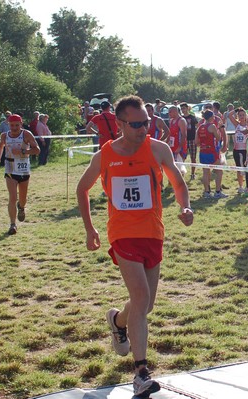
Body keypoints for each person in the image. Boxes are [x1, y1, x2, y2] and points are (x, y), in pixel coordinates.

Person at [76, 95, 193, 398]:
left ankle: (116, 320)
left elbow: (179, 184)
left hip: (152, 233)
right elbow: (82, 188)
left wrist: (185, 207)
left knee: (145, 305)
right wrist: (90, 229)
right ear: (120, 123)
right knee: (140, 297)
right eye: (137, 124)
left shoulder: (158, 149)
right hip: (122, 234)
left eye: (147, 122)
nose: (144, 128)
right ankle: (141, 372)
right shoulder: (105, 155)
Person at [0, 114, 41, 235]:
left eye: (17, 125)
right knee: (12, 197)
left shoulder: (26, 134)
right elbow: (0, 147)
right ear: (8, 125)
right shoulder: (4, 135)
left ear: (21, 124)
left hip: (24, 168)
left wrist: (23, 151)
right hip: (10, 168)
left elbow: (37, 150)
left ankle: (22, 207)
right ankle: (12, 224)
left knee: (22, 198)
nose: (14, 128)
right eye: (12, 125)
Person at [195, 110, 226, 198]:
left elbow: (196, 141)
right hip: (212, 152)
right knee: (219, 171)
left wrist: (203, 144)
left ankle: (207, 192)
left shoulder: (200, 127)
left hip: (203, 152)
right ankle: (217, 192)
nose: (214, 118)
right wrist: (219, 128)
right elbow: (219, 138)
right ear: (211, 117)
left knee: (205, 172)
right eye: (213, 116)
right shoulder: (212, 126)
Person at [227, 107, 248, 194]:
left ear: (246, 116)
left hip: (246, 151)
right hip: (237, 150)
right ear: (238, 116)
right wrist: (236, 109)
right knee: (239, 169)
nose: (242, 117)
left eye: (243, 115)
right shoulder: (237, 125)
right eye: (240, 115)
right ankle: (240, 186)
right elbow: (229, 115)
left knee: (247, 169)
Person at [180, 102, 198, 180]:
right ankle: (182, 173)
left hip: (192, 139)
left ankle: (193, 174)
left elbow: (197, 127)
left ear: (187, 108)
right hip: (184, 140)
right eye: (181, 109)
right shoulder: (180, 118)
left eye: (184, 108)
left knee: (193, 157)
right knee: (182, 157)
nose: (183, 110)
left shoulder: (192, 117)